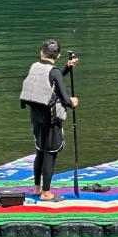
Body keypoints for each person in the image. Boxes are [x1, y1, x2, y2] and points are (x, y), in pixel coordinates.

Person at [19, 39, 78, 201]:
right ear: (58, 55)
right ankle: (46, 193)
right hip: (51, 122)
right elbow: (66, 99)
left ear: (41, 53)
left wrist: (66, 68)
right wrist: (73, 102)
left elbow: (50, 82)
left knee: (40, 151)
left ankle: (37, 188)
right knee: (50, 154)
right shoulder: (55, 72)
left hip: (36, 120)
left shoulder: (34, 67)